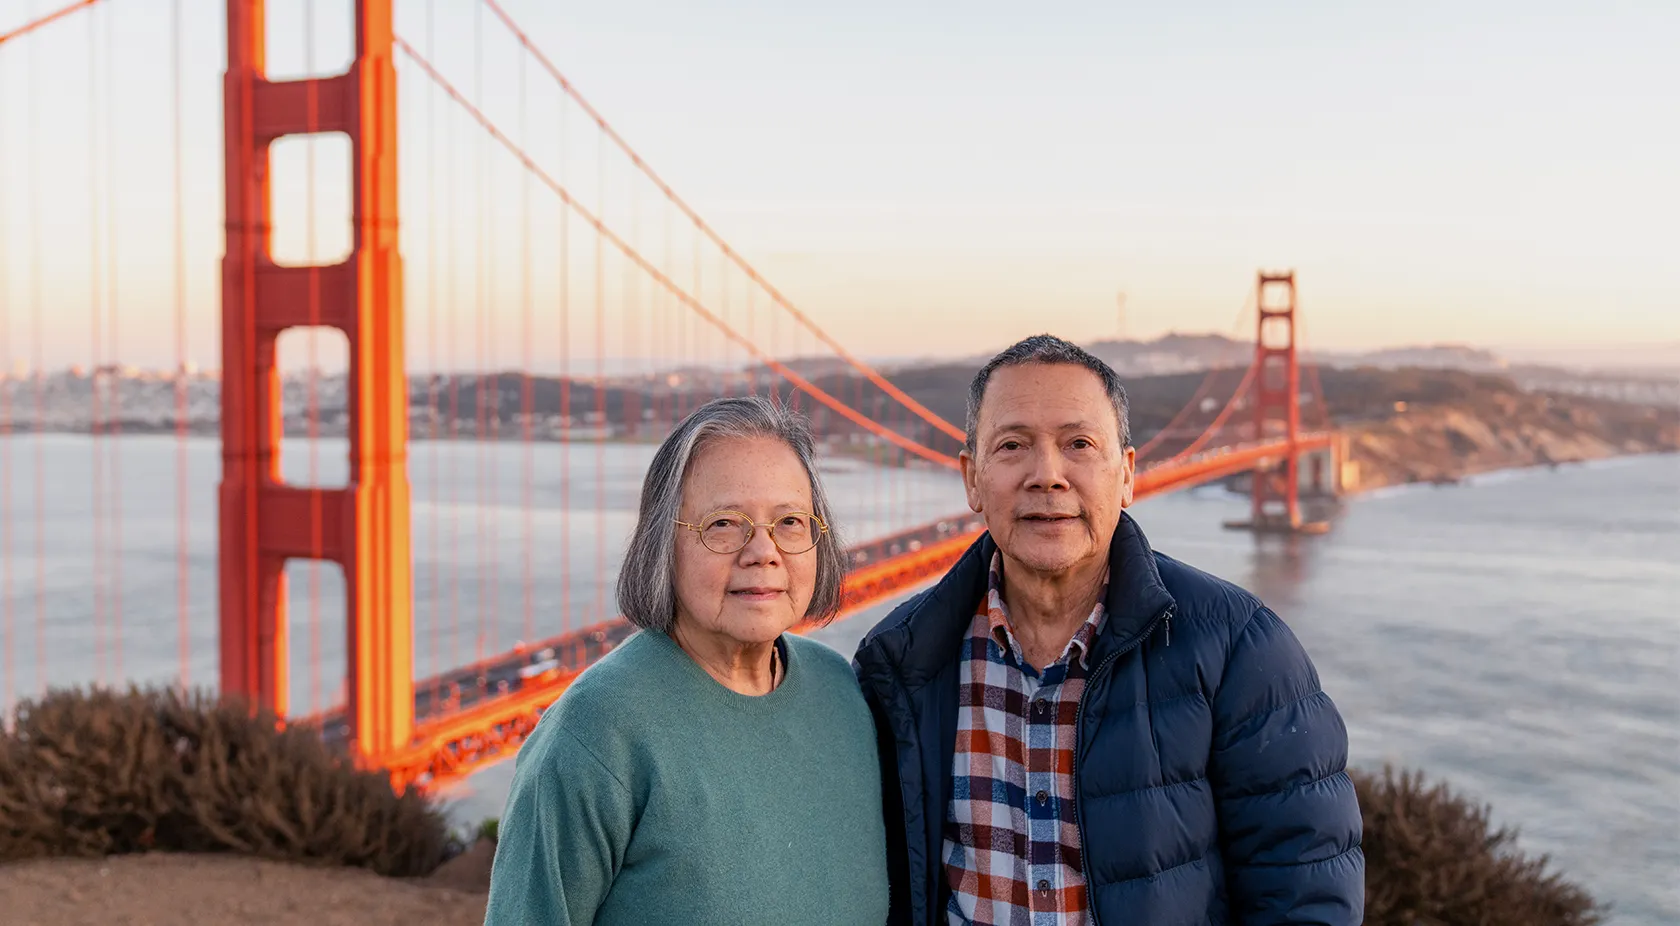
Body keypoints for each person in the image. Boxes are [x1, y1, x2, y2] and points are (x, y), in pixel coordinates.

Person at [853, 335, 1364, 925]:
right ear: (972, 479)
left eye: (1079, 444)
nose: (1047, 475)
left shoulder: (1242, 649)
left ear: (1125, 474)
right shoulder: (899, 663)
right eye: (1013, 445)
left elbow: (1306, 892)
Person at [485, 395, 889, 926]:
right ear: (662, 544)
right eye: (724, 524)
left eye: (790, 521)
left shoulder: (841, 693)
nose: (763, 551)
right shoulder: (595, 733)